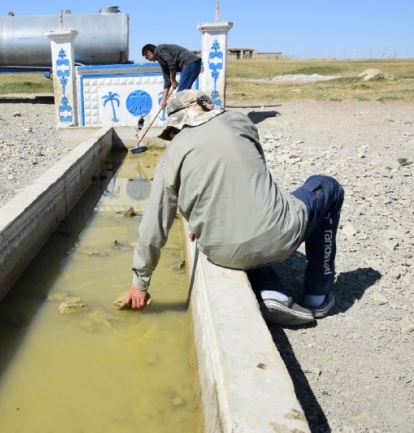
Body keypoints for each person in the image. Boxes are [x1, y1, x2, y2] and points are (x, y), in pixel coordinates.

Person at [125, 89, 344, 326]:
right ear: (208, 108)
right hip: (278, 235)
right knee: (327, 186)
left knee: (242, 232)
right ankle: (317, 296)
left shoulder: (171, 153)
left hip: (221, 253)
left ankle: (273, 292)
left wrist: (140, 284)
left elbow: (154, 225)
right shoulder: (239, 121)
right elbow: (251, 179)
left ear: (176, 125)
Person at [142, 44, 202, 108]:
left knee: (181, 95)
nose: (148, 59)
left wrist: (173, 80)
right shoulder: (161, 59)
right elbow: (167, 79)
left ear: (149, 53)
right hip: (193, 64)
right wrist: (164, 100)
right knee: (183, 94)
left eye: (146, 57)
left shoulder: (158, 51)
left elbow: (172, 64)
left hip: (190, 64)